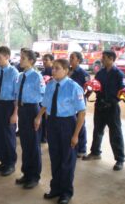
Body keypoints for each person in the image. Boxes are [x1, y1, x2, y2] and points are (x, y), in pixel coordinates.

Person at [35, 59, 86, 204]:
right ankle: (56, 188)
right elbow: (45, 104)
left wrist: (76, 135)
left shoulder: (74, 87)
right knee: (55, 157)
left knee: (67, 160)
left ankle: (66, 192)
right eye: (53, 68)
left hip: (67, 124)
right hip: (52, 123)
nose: (53, 71)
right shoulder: (50, 85)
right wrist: (38, 117)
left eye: (57, 68)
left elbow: (81, 113)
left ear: (65, 70)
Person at [83, 50, 125, 171]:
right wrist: (88, 92)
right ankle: (95, 153)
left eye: (104, 58)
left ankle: (120, 160)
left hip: (112, 108)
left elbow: (124, 92)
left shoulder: (119, 74)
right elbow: (94, 86)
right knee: (97, 130)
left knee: (115, 133)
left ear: (111, 59)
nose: (102, 60)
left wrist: (115, 101)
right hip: (100, 105)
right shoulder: (100, 73)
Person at [15, 49, 45, 189]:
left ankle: (34, 176)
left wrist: (39, 116)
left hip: (32, 109)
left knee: (33, 144)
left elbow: (45, 97)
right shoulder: (21, 76)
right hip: (22, 110)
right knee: (25, 144)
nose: (20, 60)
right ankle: (26, 173)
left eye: (23, 58)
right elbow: (17, 95)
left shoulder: (37, 76)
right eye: (21, 58)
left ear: (31, 61)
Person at [0, 46, 19, 176]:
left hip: (9, 106)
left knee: (8, 136)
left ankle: (11, 164)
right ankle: (3, 161)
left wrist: (15, 113)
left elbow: (17, 95)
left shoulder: (14, 73)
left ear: (7, 57)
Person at [69, 51, 90, 158]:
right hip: (68, 104)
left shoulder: (83, 74)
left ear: (78, 60)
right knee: (70, 125)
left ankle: (82, 149)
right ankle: (72, 146)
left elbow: (88, 89)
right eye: (70, 57)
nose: (70, 59)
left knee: (80, 125)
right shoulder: (67, 71)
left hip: (78, 103)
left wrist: (84, 98)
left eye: (72, 58)